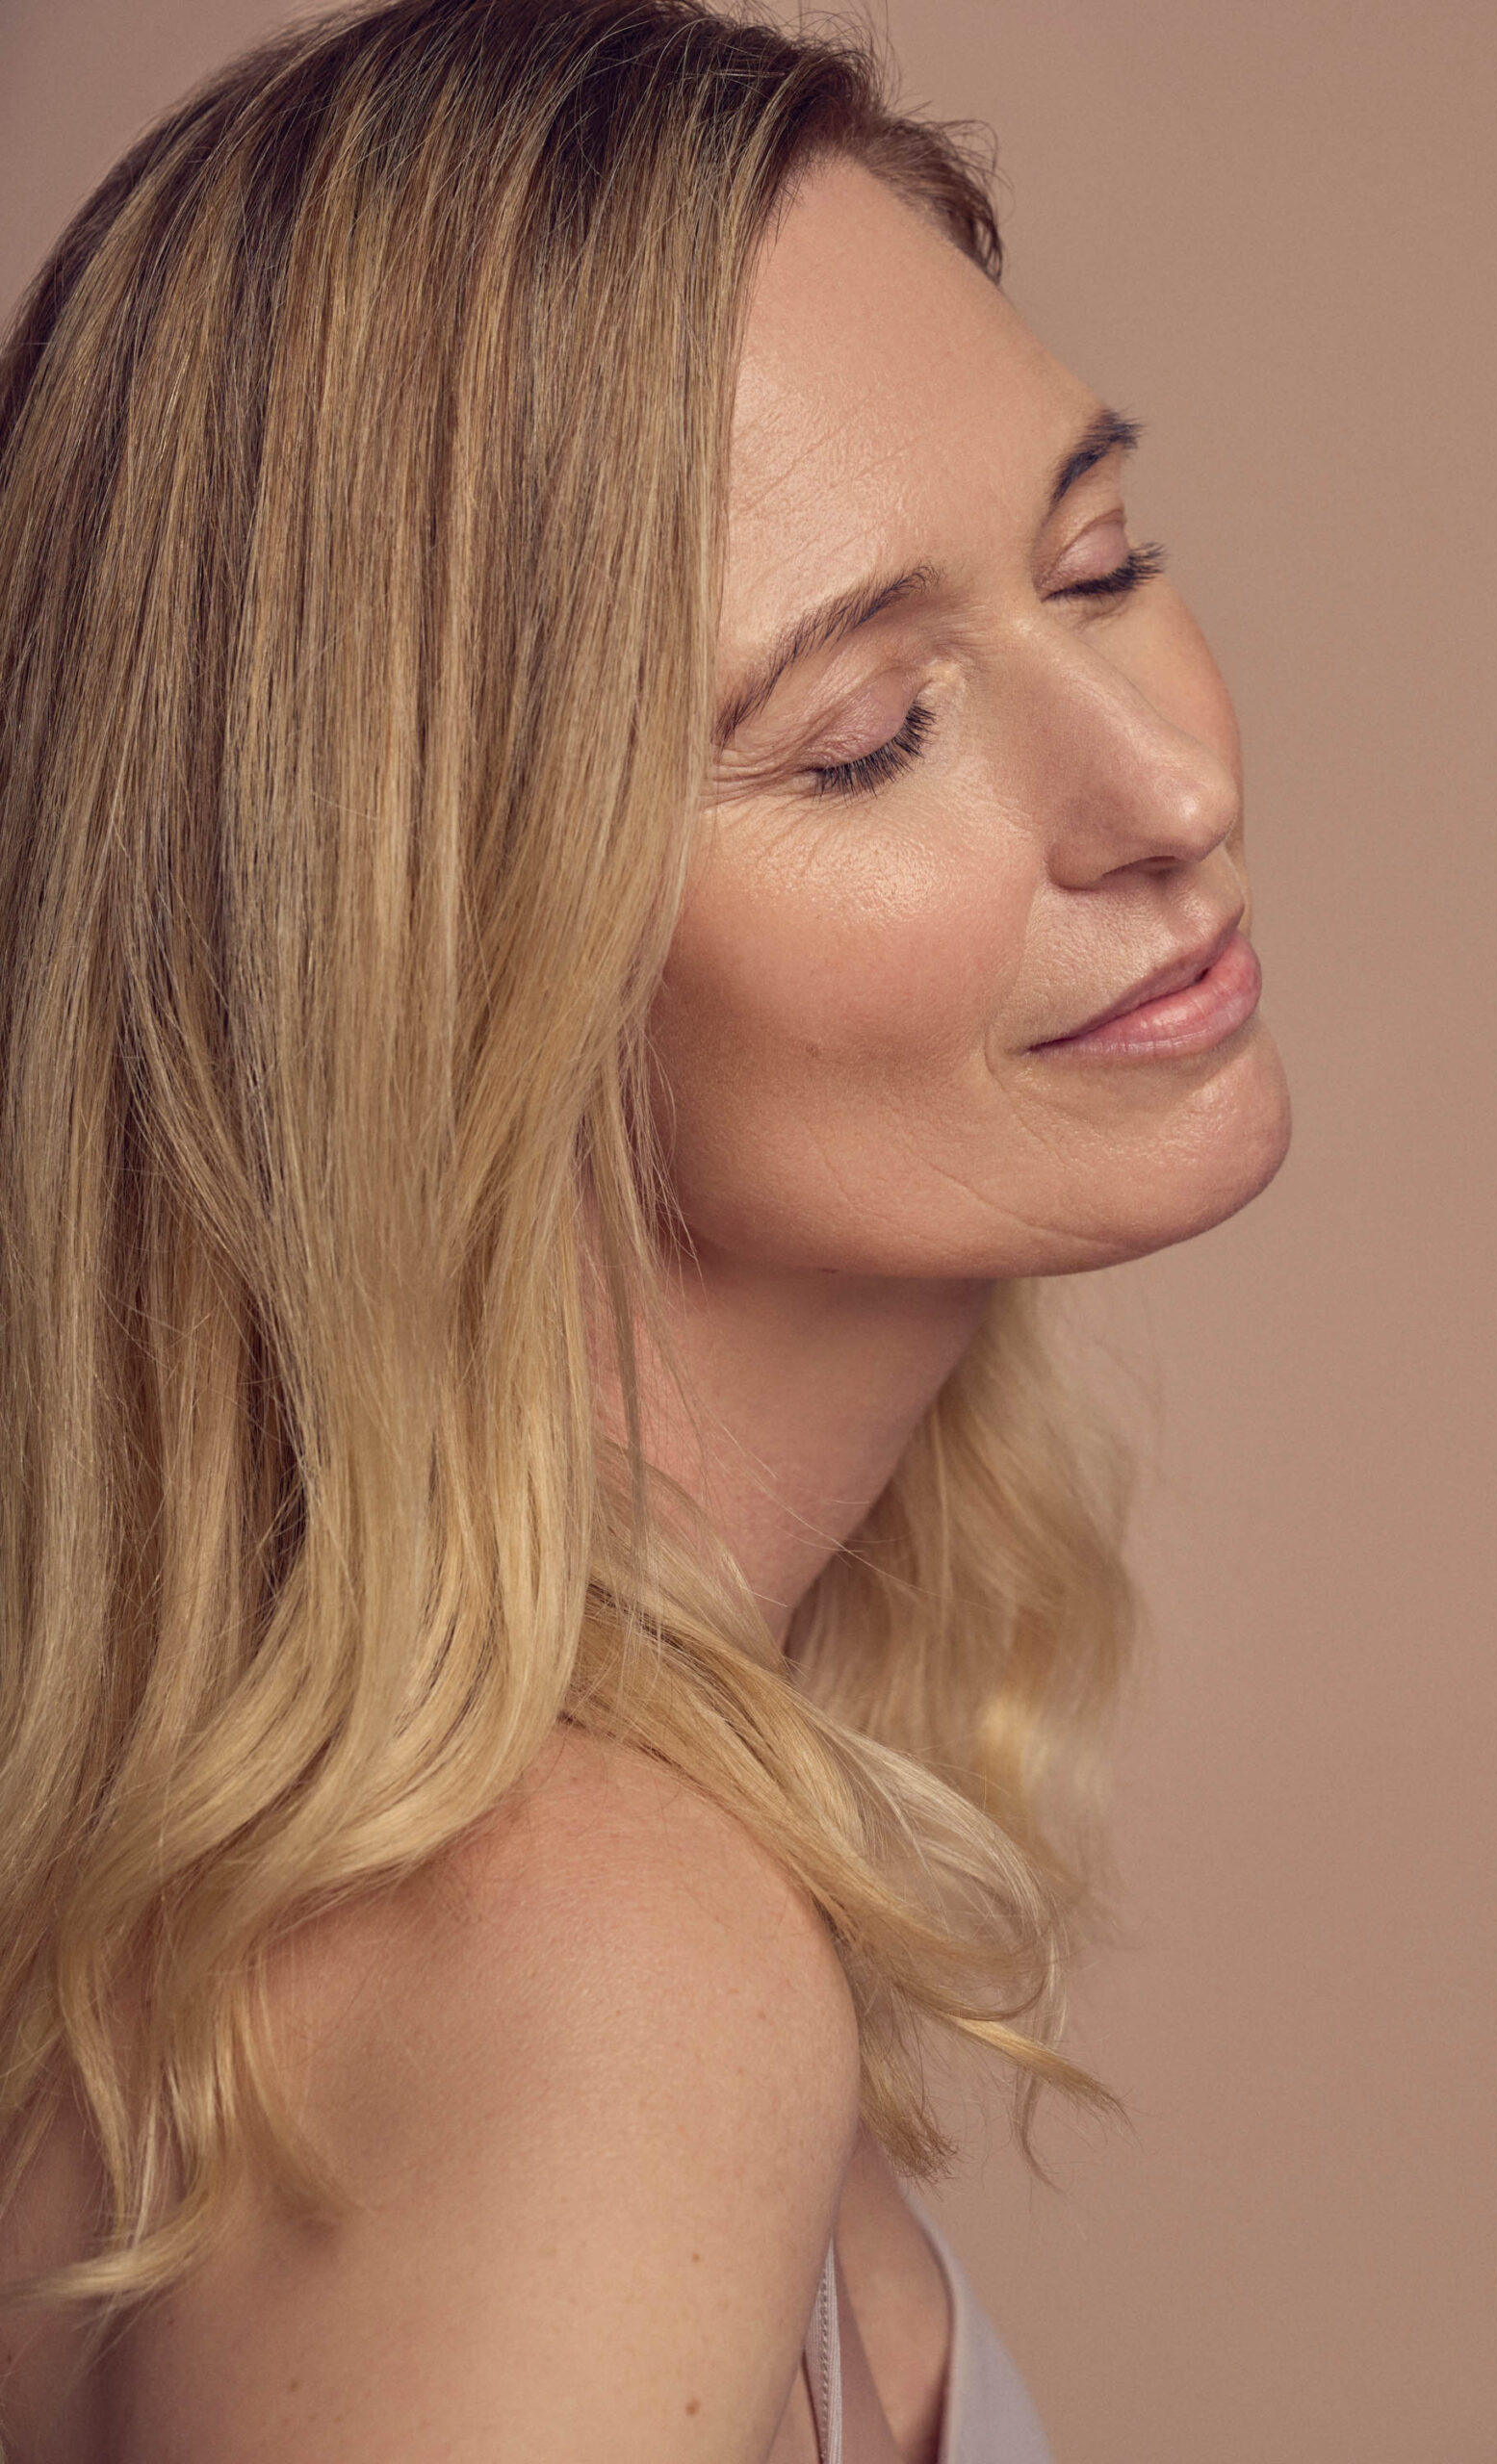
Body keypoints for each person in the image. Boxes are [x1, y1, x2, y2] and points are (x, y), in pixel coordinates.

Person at [0, 1, 1290, 2454]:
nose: (1166, 780)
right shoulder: (578, 1964)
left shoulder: (404, 1916)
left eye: (1099, 560)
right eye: (866, 732)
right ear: (431, 959)